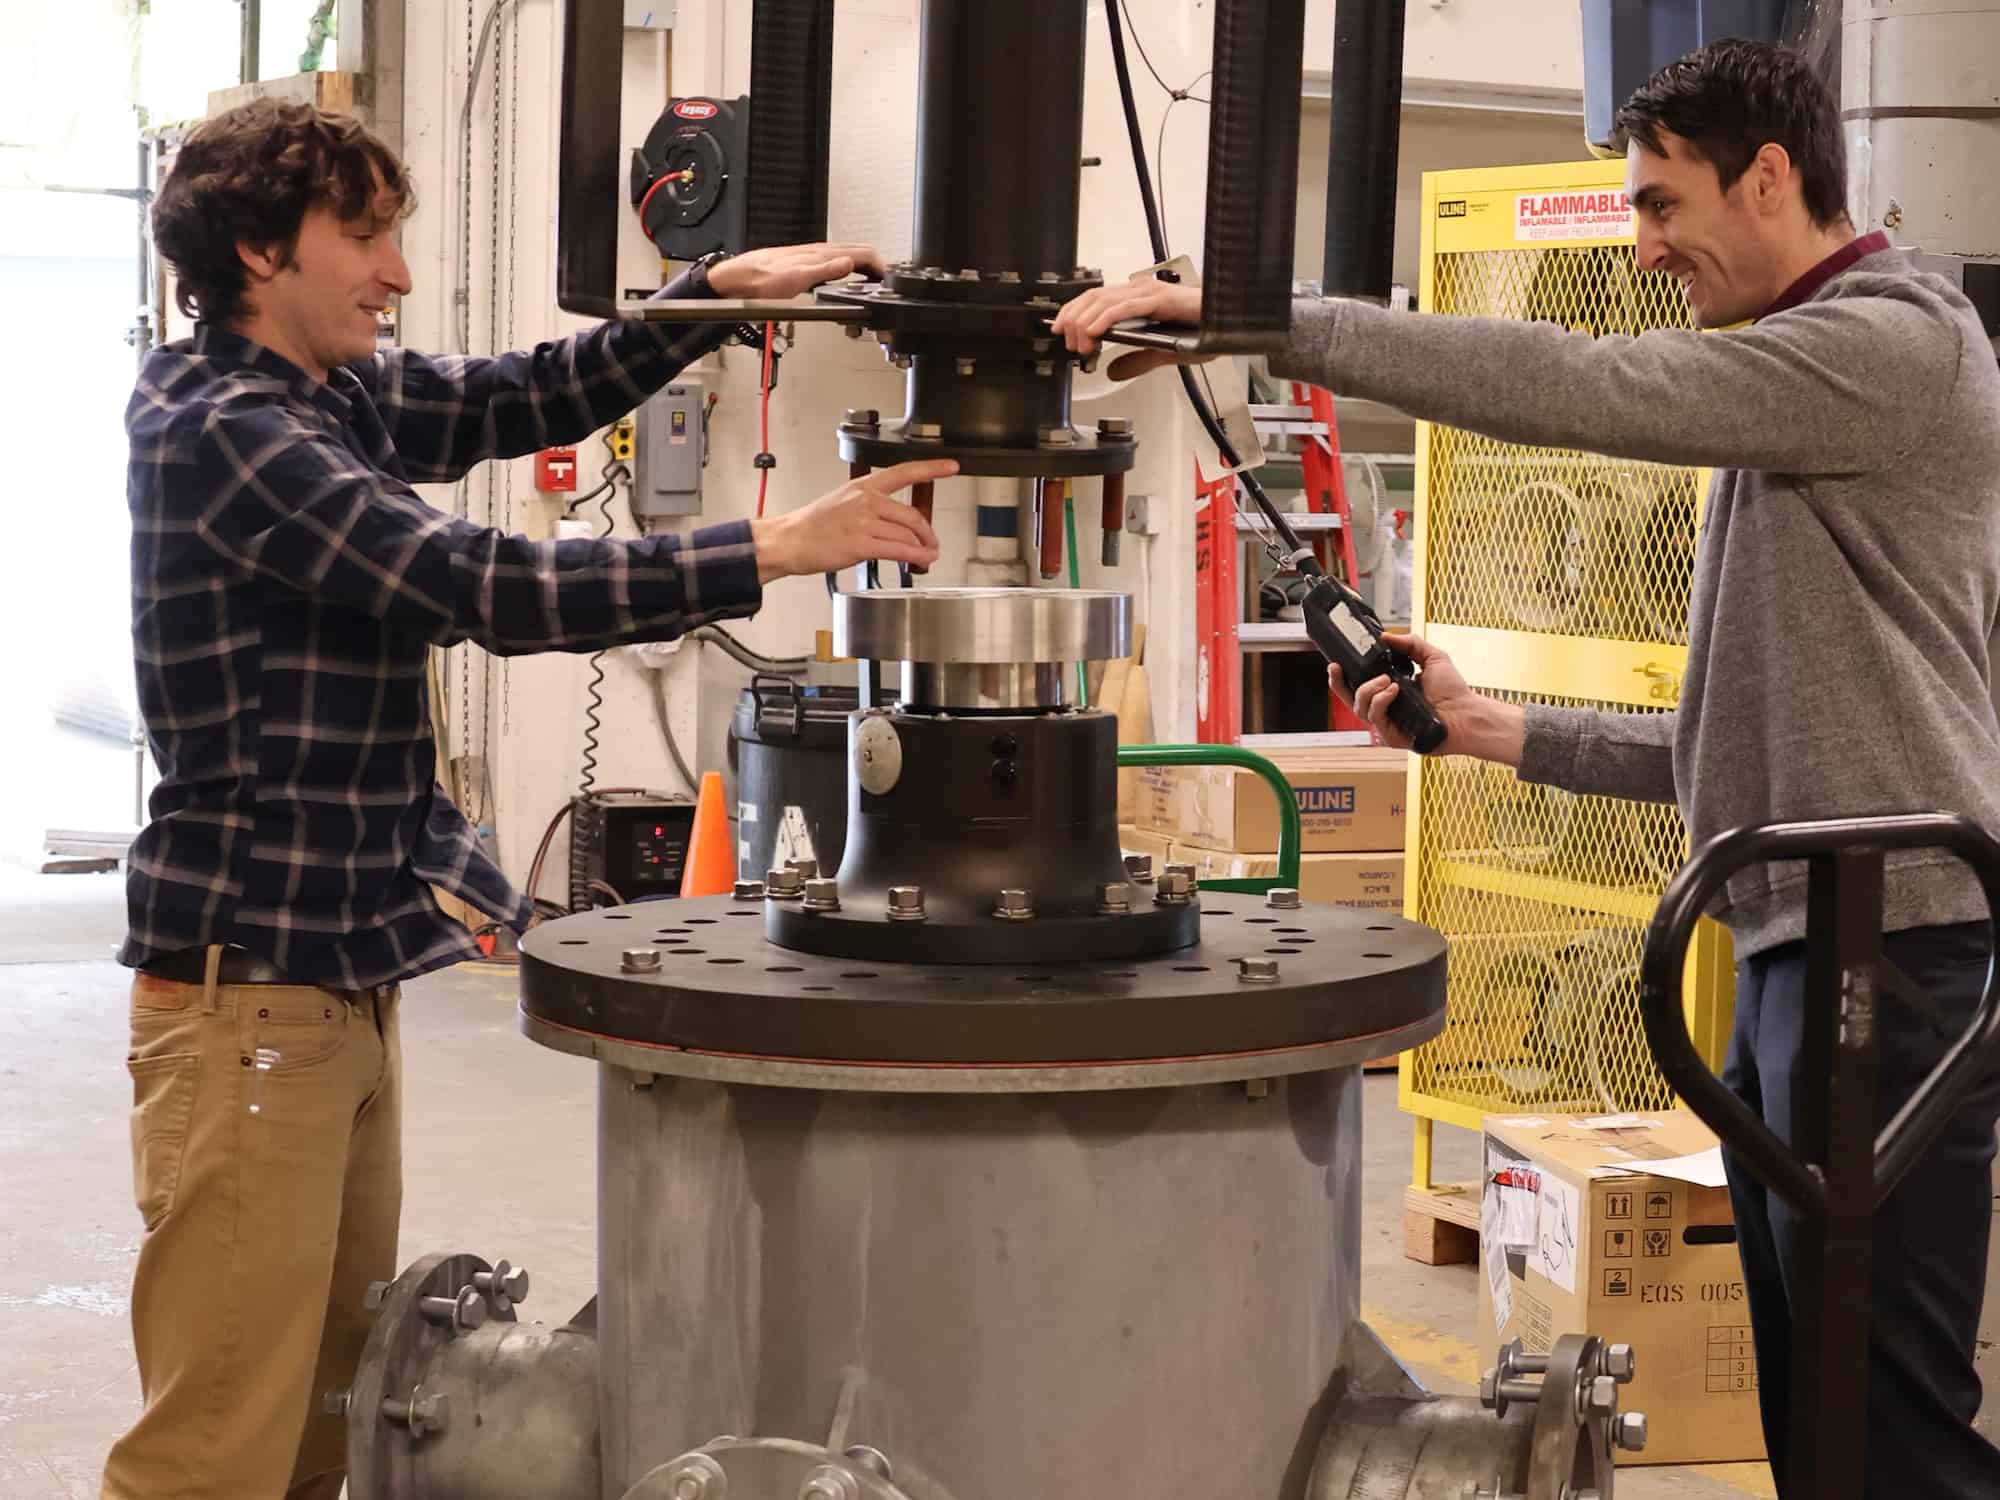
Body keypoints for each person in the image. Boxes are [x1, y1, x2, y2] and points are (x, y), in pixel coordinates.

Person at [1057, 36, 2000, 1500]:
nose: (1644, 247)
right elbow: (1743, 747)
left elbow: (1584, 387)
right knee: (1818, 1408)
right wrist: (1494, 728)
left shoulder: (1886, 347)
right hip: (1798, 934)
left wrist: (1270, 323)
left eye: (1660, 203)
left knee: (1891, 1425)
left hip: (1892, 951)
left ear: (1767, 177)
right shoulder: (1804, 400)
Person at [109, 99, 950, 1500]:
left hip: (330, 986)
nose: (397, 273)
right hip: (245, 1002)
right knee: (211, 1455)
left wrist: (708, 299)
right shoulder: (226, 435)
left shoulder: (333, 398)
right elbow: (476, 584)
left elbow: (521, 395)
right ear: (260, 250)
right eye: (364, 237)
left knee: (323, 1424)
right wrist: (776, 544)